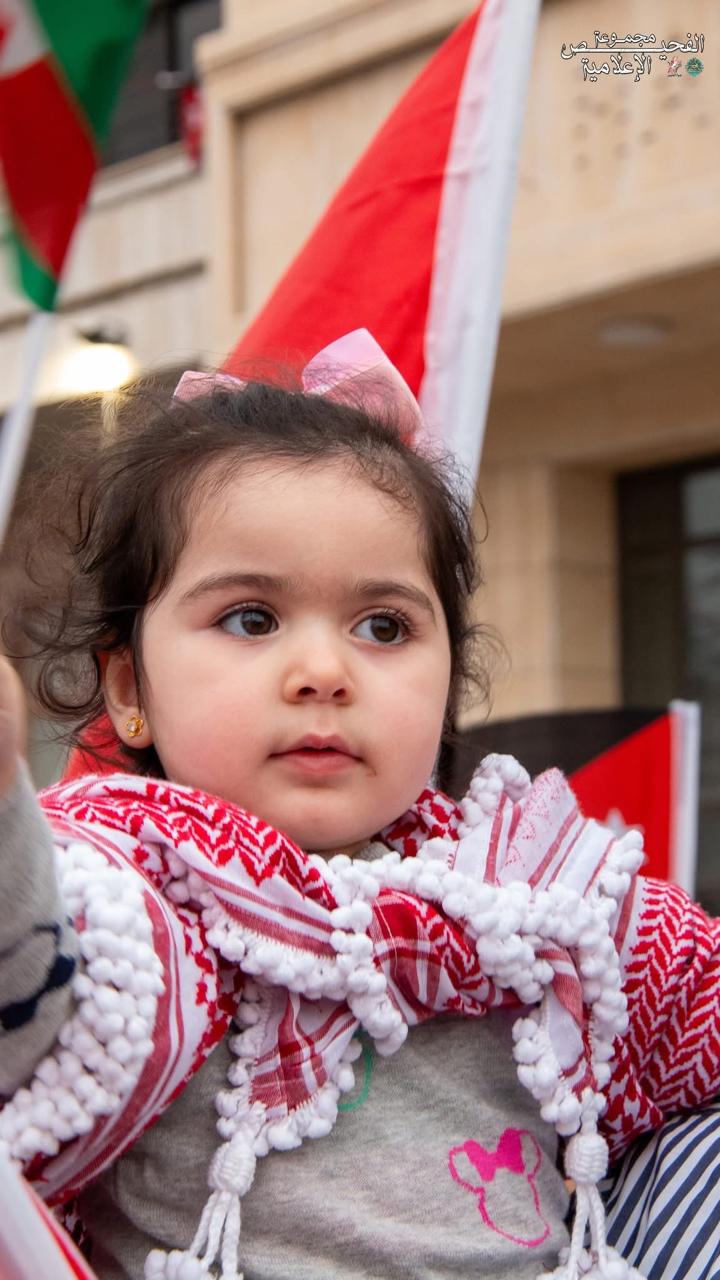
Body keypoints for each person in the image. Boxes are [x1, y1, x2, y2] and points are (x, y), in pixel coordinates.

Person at [0, 330, 719, 1280]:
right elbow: (34, 980)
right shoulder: (136, 886)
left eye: (383, 626)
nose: (324, 672)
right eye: (251, 618)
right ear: (129, 688)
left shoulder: (537, 900)